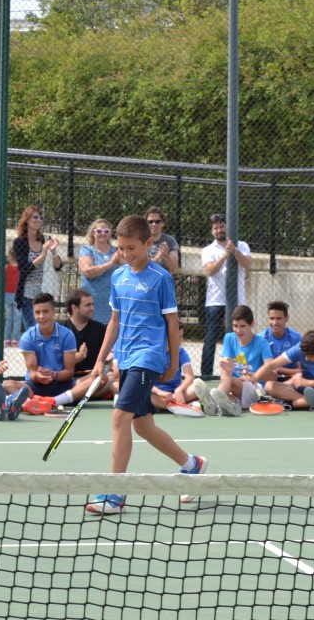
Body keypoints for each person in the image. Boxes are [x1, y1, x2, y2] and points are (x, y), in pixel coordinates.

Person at [86, 214, 206, 515]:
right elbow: (115, 321)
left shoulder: (160, 278)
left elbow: (172, 323)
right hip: (126, 357)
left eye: (132, 248)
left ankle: (115, 493)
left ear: (148, 243)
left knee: (119, 417)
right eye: (121, 248)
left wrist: (174, 362)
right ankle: (192, 464)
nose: (126, 254)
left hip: (148, 357)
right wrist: (101, 359)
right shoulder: (118, 277)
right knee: (142, 424)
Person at [21, 293, 102, 407]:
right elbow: (32, 373)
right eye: (37, 312)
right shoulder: (27, 337)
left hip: (63, 384)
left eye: (45, 311)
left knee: (98, 379)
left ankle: (52, 401)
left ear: (53, 312)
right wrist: (39, 376)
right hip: (36, 386)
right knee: (8, 385)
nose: (41, 316)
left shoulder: (67, 335)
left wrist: (53, 375)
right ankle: (34, 402)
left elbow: (69, 372)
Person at [200, 213, 252, 377]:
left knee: (239, 337)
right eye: (215, 228)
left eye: (222, 226)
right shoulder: (208, 250)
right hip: (215, 301)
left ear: (228, 227)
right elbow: (210, 270)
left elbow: (248, 264)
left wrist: (234, 251)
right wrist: (225, 255)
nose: (219, 230)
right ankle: (206, 375)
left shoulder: (242, 245)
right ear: (212, 231)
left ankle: (239, 373)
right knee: (211, 338)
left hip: (238, 300)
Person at [197, 305, 272, 416]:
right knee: (227, 393)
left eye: (242, 326)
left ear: (252, 324)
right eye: (235, 326)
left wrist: (253, 377)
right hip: (236, 390)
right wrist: (228, 371)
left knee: (228, 380)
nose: (238, 330)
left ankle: (209, 402)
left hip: (255, 389)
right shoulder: (229, 338)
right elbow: (224, 372)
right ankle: (225, 406)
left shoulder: (262, 343)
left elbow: (272, 373)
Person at [261, 330, 314, 417]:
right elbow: (272, 364)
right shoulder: (301, 347)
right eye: (305, 355)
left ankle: (293, 404)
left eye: (311, 356)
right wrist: (254, 378)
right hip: (303, 391)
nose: (306, 358)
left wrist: (309, 382)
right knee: (269, 386)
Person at [13, 205, 63, 331]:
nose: (38, 220)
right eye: (35, 217)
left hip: (45, 292)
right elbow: (24, 269)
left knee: (46, 330)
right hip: (28, 295)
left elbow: (58, 266)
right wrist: (42, 255)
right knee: (33, 330)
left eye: (41, 217)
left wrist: (54, 252)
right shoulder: (19, 242)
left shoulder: (46, 239)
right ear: (27, 219)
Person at [78, 218, 121, 325]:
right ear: (93, 233)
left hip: (112, 304)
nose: (103, 233)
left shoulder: (118, 251)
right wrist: (111, 263)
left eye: (106, 231)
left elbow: (131, 267)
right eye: (99, 231)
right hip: (90, 303)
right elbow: (88, 272)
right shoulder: (86, 250)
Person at [63, 288, 107, 379]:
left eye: (92, 304)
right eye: (87, 305)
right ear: (74, 307)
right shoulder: (60, 330)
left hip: (92, 377)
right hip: (65, 378)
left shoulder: (101, 329)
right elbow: (55, 361)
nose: (92, 308)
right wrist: (79, 356)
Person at [144, 206, 180, 274]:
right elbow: (139, 266)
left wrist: (166, 255)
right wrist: (158, 256)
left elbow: (174, 269)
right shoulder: (140, 240)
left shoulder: (170, 240)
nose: (154, 224)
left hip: (162, 277)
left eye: (157, 221)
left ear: (163, 223)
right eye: (150, 222)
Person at [3, 253, 22, 346]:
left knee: (9, 317)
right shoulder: (20, 267)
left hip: (7, 293)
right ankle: (15, 339)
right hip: (17, 294)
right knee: (17, 317)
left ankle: (6, 338)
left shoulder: (6, 267)